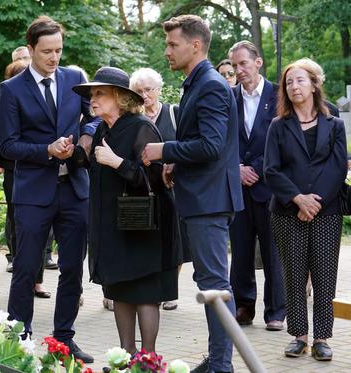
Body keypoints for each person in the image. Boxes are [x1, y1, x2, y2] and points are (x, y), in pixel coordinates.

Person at [142, 15, 243, 373]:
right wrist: (177, 164)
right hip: (201, 197)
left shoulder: (211, 84)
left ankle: (221, 366)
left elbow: (213, 145)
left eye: (172, 44)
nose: (166, 50)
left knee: (215, 286)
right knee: (210, 284)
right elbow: (202, 141)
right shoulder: (196, 83)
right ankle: (217, 360)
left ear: (195, 45)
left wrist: (164, 151)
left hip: (209, 201)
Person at [0, 15, 94, 363]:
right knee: (25, 268)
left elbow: (94, 115)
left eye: (59, 50)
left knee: (72, 269)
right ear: (31, 50)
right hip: (33, 193)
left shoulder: (74, 78)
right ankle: (18, 339)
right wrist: (45, 151)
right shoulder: (10, 90)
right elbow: (7, 145)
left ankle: (64, 340)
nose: (54, 58)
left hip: (74, 190)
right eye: (47, 52)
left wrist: (85, 136)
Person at [72, 66, 181, 354]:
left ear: (119, 97)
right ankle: (125, 356)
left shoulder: (141, 127)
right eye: (92, 94)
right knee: (119, 290)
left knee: (145, 293)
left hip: (142, 227)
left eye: (100, 93)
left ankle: (147, 359)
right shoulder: (103, 130)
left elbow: (155, 180)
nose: (93, 99)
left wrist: (116, 162)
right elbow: (95, 169)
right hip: (112, 226)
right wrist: (75, 153)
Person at [263, 58, 347, 361]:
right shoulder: (278, 126)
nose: (294, 86)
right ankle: (298, 336)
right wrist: (298, 199)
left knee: (325, 275)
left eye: (300, 80)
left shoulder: (335, 124)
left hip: (327, 211)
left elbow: (338, 167)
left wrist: (314, 202)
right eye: (289, 82)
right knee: (294, 275)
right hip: (288, 212)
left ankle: (322, 338)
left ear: (314, 84)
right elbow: (270, 170)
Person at [227, 40, 286, 331]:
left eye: (243, 64)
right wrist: (235, 168)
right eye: (235, 65)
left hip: (270, 187)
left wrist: (257, 169)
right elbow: (223, 140)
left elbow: (284, 141)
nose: (238, 70)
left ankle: (275, 312)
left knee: (274, 253)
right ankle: (244, 306)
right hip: (237, 187)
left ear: (258, 62)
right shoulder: (228, 98)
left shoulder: (279, 95)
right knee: (240, 251)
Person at [0, 59, 51, 299]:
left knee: (39, 225)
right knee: (19, 222)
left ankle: (38, 279)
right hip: (14, 170)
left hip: (38, 169)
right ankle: (19, 265)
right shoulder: (6, 98)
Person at [130, 67, 186, 312]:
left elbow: (187, 145)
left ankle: (169, 291)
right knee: (147, 242)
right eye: (139, 91)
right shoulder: (132, 119)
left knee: (174, 240)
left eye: (149, 89)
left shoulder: (174, 113)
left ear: (159, 89)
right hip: (141, 190)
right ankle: (148, 288)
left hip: (171, 188)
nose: (144, 95)